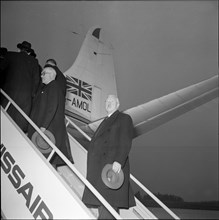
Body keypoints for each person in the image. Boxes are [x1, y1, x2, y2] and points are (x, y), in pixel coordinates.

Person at [82, 94, 136, 219]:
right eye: (106, 100)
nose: (108, 102)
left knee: (108, 204)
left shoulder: (124, 118)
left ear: (118, 104)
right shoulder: (105, 121)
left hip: (110, 168)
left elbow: (125, 140)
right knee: (105, 204)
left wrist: (118, 161)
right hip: (100, 170)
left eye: (111, 100)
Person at [28, 67, 73, 167]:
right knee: (47, 159)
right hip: (46, 129)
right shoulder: (49, 87)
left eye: (43, 73)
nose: (41, 75)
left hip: (48, 130)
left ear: (51, 75)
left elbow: (52, 108)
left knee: (46, 158)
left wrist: (43, 126)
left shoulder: (53, 86)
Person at [1, 41, 40, 132]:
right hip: (25, 97)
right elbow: (36, 80)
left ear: (19, 49)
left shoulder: (11, 55)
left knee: (5, 115)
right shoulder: (34, 61)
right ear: (29, 52)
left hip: (10, 92)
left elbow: (1, 67)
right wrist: (32, 94)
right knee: (19, 120)